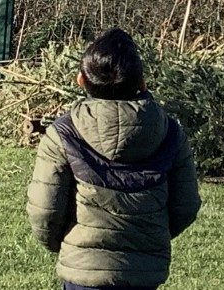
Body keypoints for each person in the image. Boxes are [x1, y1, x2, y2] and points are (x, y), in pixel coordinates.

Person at [27, 28, 201, 290]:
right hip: (144, 274)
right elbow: (186, 206)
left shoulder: (62, 134)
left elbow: (44, 210)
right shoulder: (171, 133)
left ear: (81, 80)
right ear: (142, 83)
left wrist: (64, 244)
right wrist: (148, 239)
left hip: (82, 272)